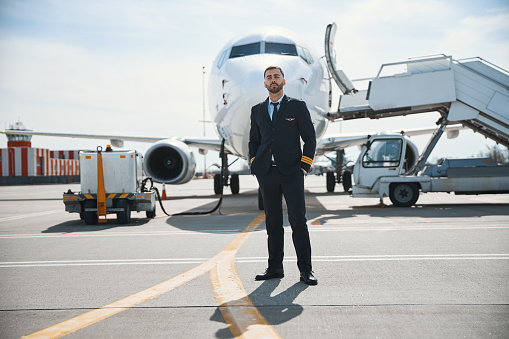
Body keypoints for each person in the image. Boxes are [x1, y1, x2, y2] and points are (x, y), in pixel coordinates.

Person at [249, 65, 317, 285]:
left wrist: (304, 166)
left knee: (298, 221)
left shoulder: (297, 107)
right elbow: (254, 141)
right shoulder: (257, 110)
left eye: (276, 76)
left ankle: (306, 270)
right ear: (265, 83)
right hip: (267, 174)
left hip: (292, 173)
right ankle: (275, 267)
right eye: (269, 77)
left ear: (284, 81)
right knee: (273, 223)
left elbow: (310, 139)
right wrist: (254, 163)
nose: (273, 80)